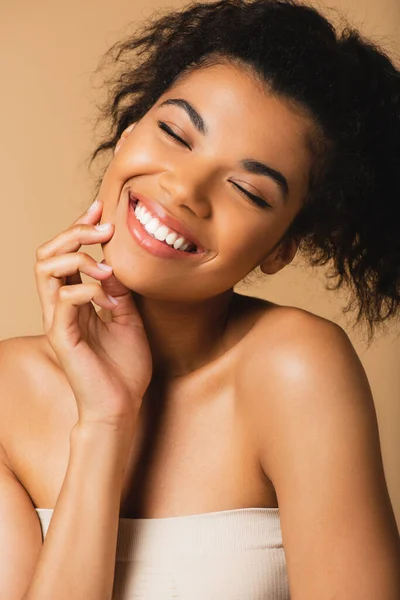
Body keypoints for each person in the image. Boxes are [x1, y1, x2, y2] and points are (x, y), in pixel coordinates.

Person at [1, 0, 400, 598]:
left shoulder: (295, 367)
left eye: (247, 189)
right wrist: (106, 423)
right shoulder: (7, 390)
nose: (184, 189)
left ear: (279, 249)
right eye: (174, 133)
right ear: (128, 133)